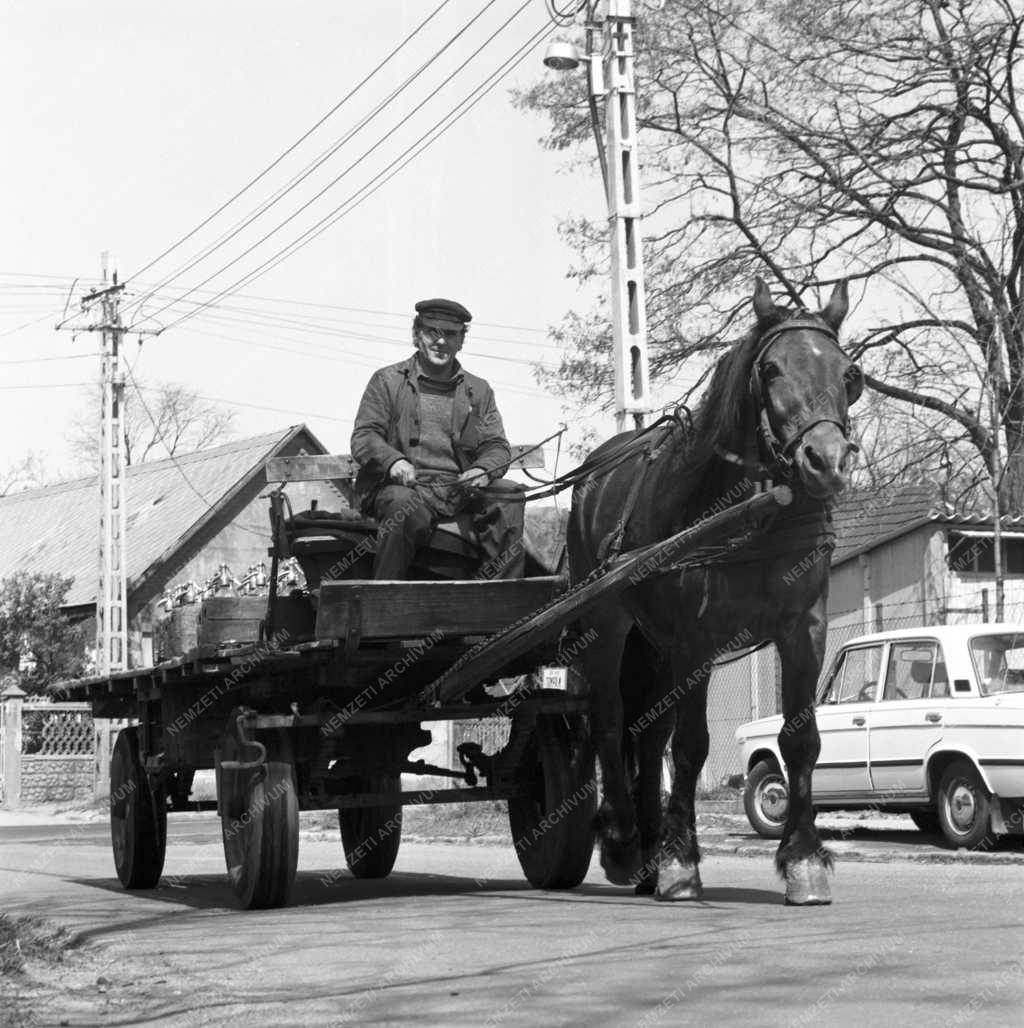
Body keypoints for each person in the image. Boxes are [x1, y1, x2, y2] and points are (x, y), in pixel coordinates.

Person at [350, 298, 525, 580]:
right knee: (403, 507)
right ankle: (384, 600)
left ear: (461, 341)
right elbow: (364, 435)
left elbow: (496, 445)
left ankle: (504, 602)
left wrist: (481, 470)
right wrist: (393, 461)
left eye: (451, 334)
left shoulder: (478, 391)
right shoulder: (387, 381)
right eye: (432, 331)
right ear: (417, 335)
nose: (441, 341)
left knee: (509, 495)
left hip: (460, 493)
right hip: (403, 489)